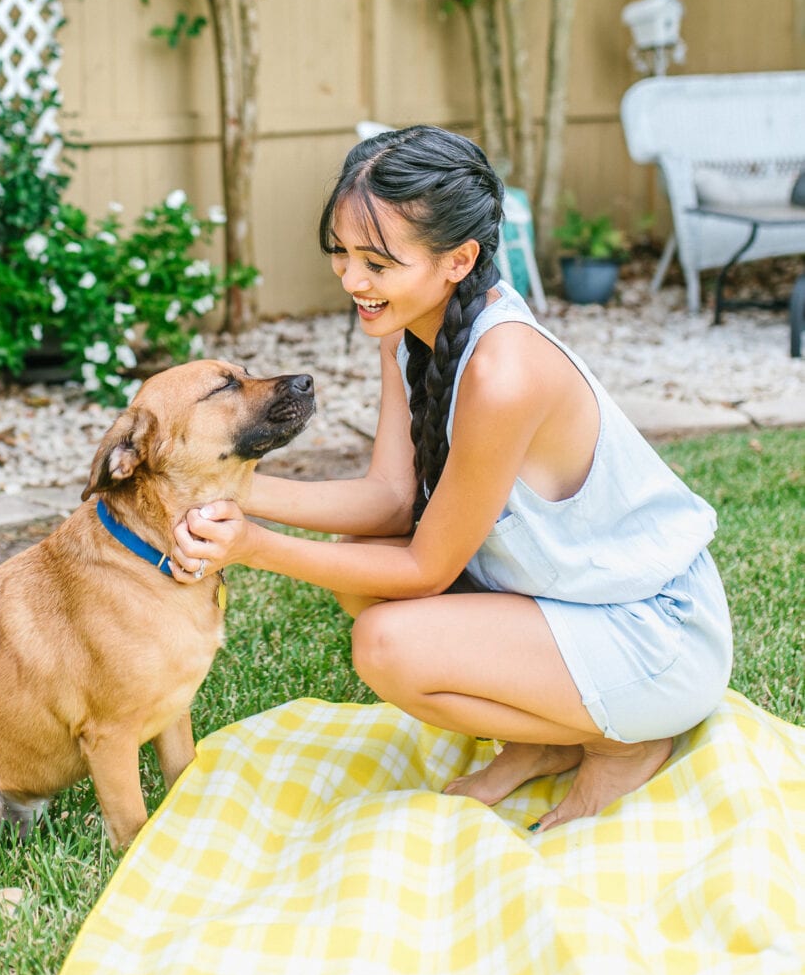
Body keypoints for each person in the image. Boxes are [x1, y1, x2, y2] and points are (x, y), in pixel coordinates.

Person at [170, 125, 733, 830]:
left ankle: (624, 740)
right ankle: (544, 738)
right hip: (577, 600)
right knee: (356, 570)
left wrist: (251, 544)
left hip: (655, 633)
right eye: (341, 254)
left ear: (458, 259)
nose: (350, 279)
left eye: (375, 261)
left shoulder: (504, 372)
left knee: (386, 644)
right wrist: (228, 489)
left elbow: (426, 567)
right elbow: (390, 499)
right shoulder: (410, 324)